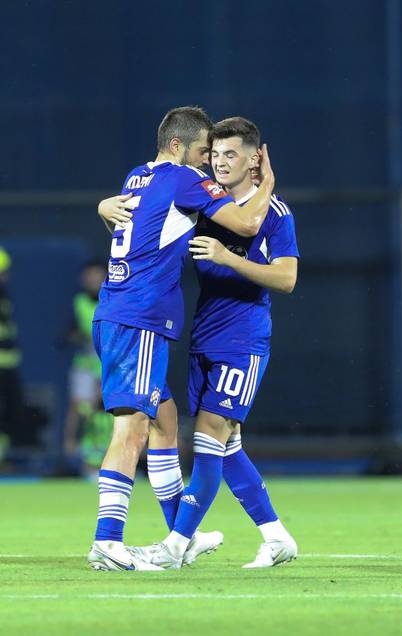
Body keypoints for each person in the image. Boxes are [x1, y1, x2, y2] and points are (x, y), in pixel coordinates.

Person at [87, 106, 275, 571]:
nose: (208, 160)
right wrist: (267, 182)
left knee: (165, 420)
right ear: (177, 146)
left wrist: (101, 207)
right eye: (203, 150)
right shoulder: (184, 178)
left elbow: (129, 225)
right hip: (139, 318)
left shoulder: (138, 176)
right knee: (131, 427)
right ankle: (107, 541)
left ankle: (180, 536)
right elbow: (248, 224)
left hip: (118, 312)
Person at [126, 117, 299, 569]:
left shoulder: (275, 213)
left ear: (254, 159)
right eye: (215, 154)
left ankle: (174, 546)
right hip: (203, 337)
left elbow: (286, 278)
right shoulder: (206, 207)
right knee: (228, 446)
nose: (219, 163)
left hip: (243, 341)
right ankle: (276, 536)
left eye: (230, 154)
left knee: (207, 441)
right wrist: (107, 205)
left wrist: (228, 258)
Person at [63, 261, 112, 473]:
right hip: (86, 364)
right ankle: (76, 451)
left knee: (110, 409)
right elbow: (67, 333)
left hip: (110, 363)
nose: (92, 279)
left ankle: (114, 457)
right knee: (81, 408)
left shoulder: (114, 300)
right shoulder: (79, 302)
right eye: (89, 275)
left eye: (96, 275)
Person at [0, 247, 24, 461]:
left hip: (9, 363)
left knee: (10, 411)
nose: (5, 277)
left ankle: (2, 455)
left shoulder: (5, 296)